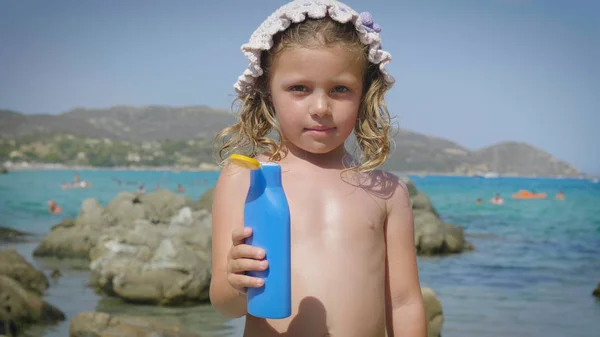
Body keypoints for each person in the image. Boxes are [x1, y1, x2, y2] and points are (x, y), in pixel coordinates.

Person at [209, 1, 426, 336]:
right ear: (268, 92)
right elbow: (226, 307)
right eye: (300, 89)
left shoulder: (387, 192)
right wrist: (234, 279)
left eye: (340, 89)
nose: (321, 108)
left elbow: (403, 303)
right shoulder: (247, 178)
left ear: (363, 93)